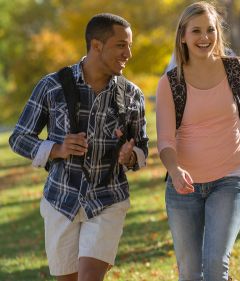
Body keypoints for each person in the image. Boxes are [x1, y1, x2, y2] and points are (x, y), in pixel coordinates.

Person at [9, 13, 148, 281]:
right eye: (121, 45)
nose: (128, 53)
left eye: (130, 45)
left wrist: (131, 157)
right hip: (61, 200)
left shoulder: (133, 95)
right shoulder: (52, 86)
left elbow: (141, 147)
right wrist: (56, 149)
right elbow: (19, 138)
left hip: (108, 199)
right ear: (97, 45)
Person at [156, 2, 240, 280]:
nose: (204, 37)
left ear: (218, 33)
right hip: (183, 188)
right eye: (196, 31)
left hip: (230, 178)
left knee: (216, 264)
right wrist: (175, 170)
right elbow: (165, 141)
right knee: (190, 273)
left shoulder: (237, 71)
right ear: (183, 36)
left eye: (210, 30)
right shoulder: (170, 83)